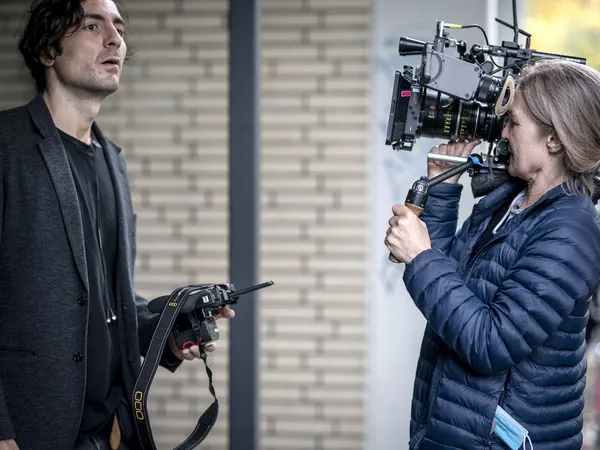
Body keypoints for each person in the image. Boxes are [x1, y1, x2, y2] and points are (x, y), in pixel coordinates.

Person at [0, 0, 235, 449]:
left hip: (114, 428)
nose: (115, 40)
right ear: (48, 51)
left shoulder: (113, 160)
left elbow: (105, 300)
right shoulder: (7, 147)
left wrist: (167, 329)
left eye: (119, 29)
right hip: (30, 432)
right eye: (93, 26)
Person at [385, 59, 600, 450]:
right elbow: (452, 283)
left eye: (514, 123)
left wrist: (419, 257)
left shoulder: (570, 232)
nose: (503, 133)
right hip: (453, 427)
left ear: (554, 140)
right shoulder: (510, 200)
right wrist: (442, 187)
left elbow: (490, 343)